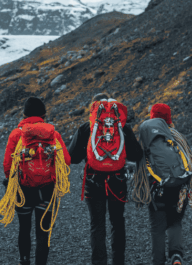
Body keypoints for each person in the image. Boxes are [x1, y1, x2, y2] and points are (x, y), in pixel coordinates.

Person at [68, 93, 143, 265]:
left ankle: (99, 261)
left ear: (93, 108)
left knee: (97, 225)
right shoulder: (122, 127)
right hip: (117, 181)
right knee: (117, 222)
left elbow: (73, 157)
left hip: (93, 182)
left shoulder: (86, 128)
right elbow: (137, 154)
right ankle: (118, 261)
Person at [2, 97, 71, 265]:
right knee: (43, 231)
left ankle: (24, 260)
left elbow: (7, 165)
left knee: (24, 229)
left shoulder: (16, 134)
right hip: (47, 190)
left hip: (23, 190)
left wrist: (12, 180)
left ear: (24, 114)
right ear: (44, 115)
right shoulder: (53, 134)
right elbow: (67, 160)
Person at [134, 103, 191, 265]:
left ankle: (158, 261)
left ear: (152, 116)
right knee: (175, 222)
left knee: (157, 228)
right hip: (180, 186)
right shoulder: (177, 136)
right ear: (168, 118)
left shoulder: (146, 137)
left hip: (156, 188)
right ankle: (176, 256)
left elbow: (139, 162)